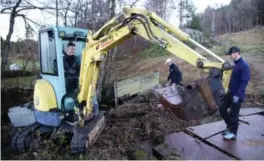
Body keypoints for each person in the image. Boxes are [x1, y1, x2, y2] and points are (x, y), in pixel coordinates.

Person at [219, 46, 250, 140]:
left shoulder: (244, 66)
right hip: (230, 92)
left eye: (231, 54)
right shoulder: (233, 64)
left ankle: (233, 134)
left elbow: (244, 81)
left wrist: (238, 95)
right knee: (222, 109)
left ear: (237, 53)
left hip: (238, 94)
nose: (230, 55)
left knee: (234, 114)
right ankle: (230, 127)